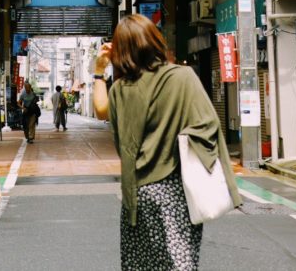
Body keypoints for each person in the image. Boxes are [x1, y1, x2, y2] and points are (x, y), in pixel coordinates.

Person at [93, 14, 241, 271]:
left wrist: (98, 71)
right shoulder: (183, 77)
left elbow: (101, 110)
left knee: (139, 264)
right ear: (153, 40)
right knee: (179, 261)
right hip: (176, 190)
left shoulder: (120, 89)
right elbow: (208, 125)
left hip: (137, 194)